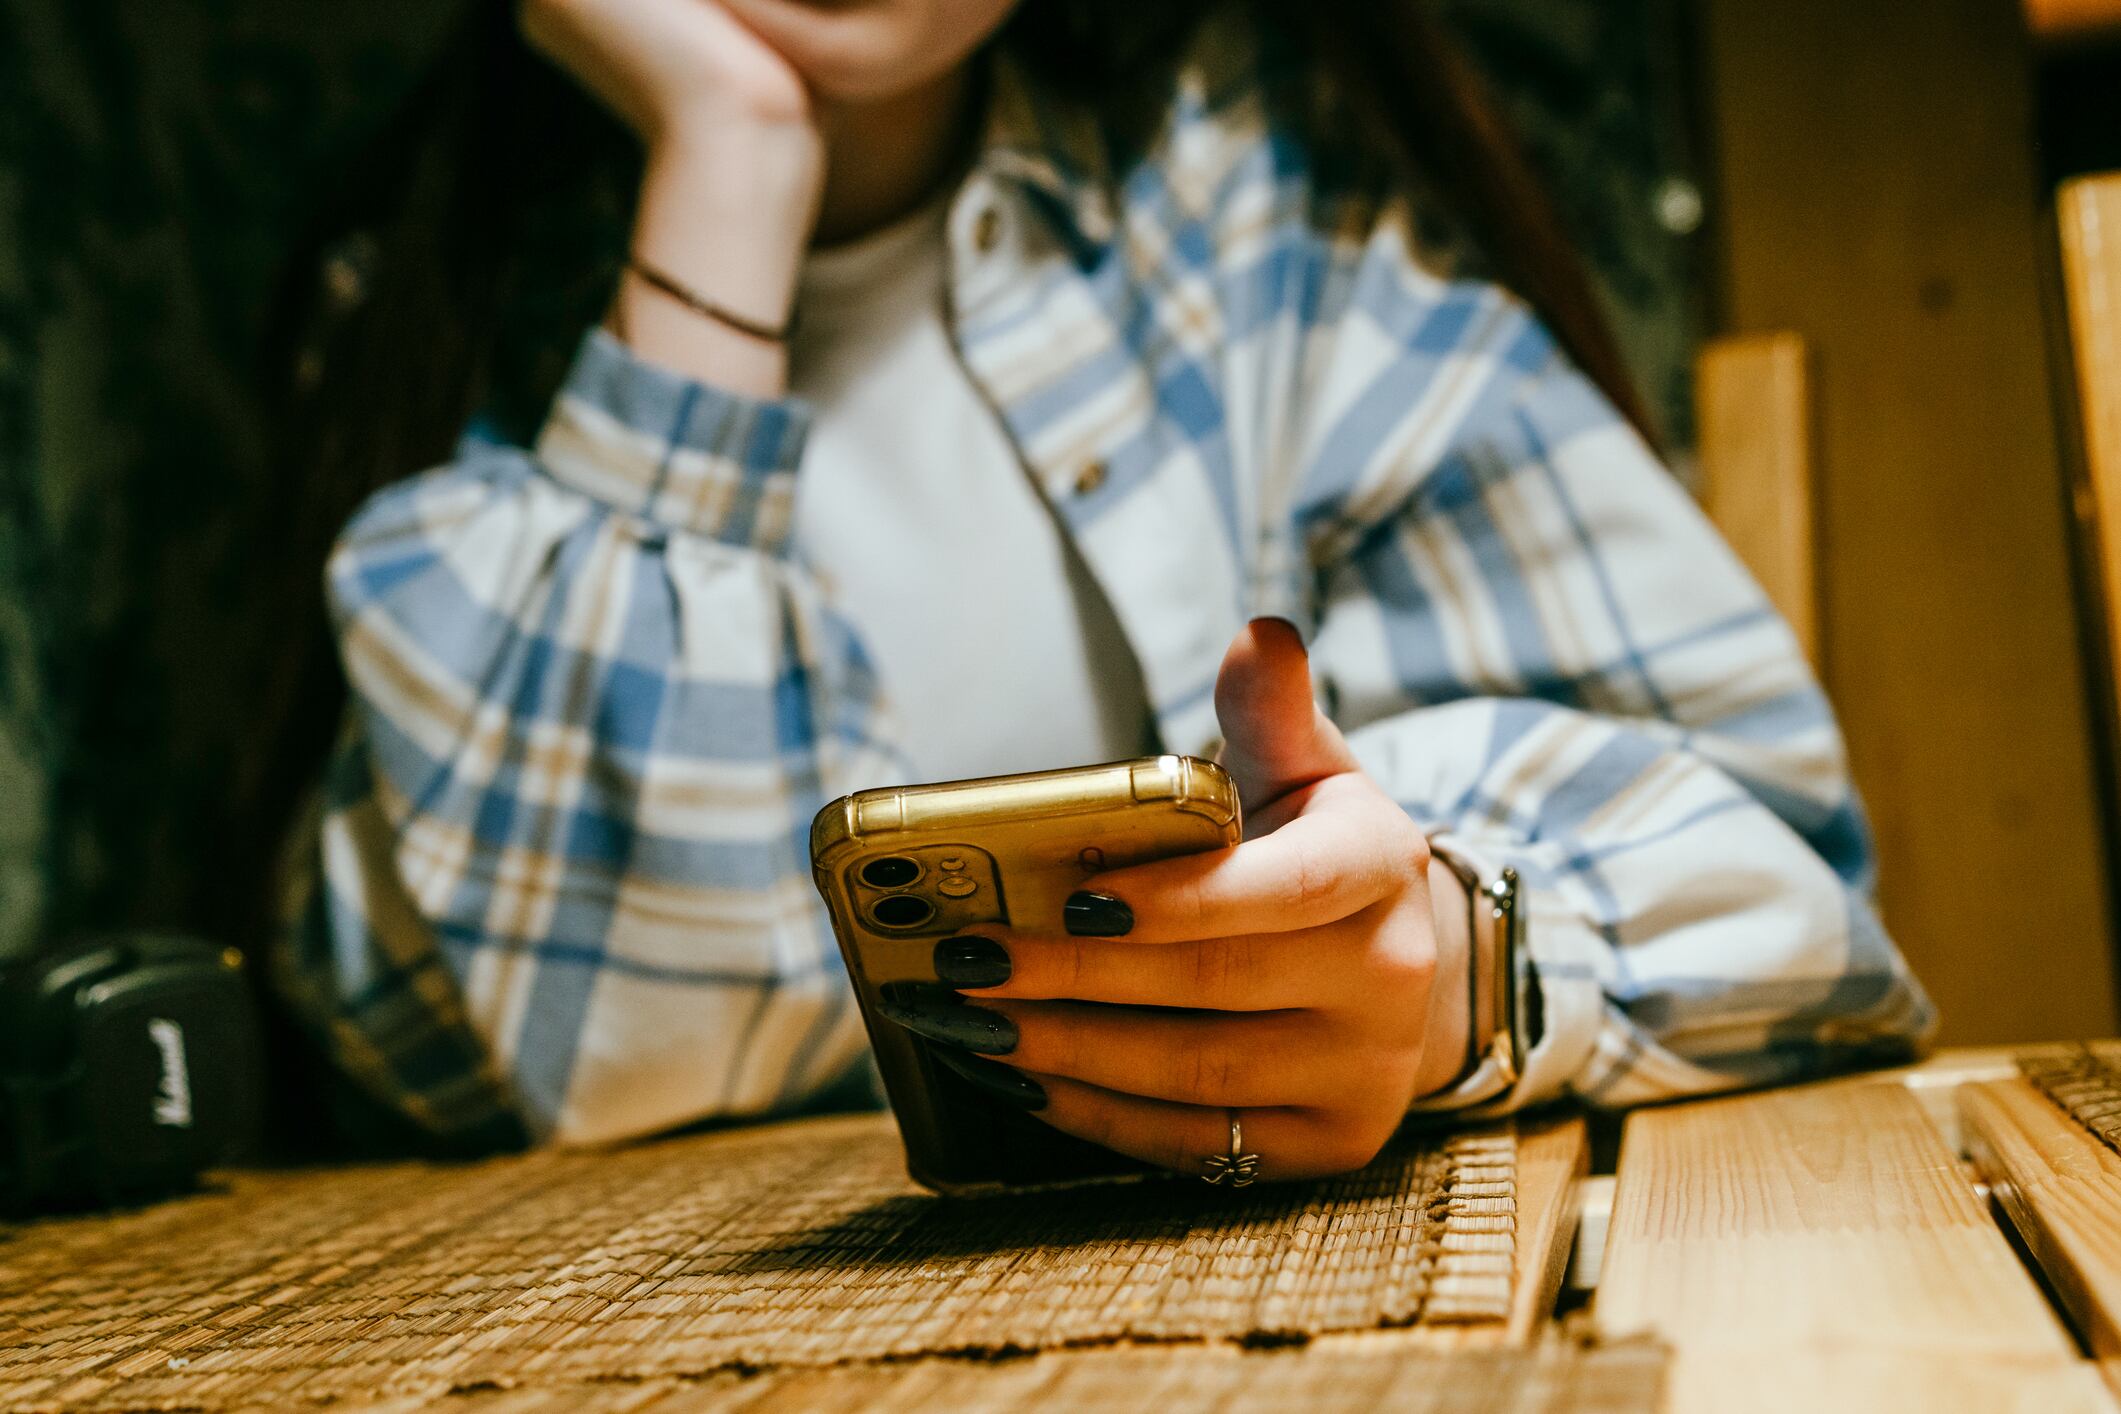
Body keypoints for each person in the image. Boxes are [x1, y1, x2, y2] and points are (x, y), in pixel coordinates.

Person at [265, 0, 1935, 1180]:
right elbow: (582, 1045)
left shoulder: (1267, 226)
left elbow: (1781, 874)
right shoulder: (421, 337)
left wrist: (1443, 966)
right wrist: (733, 149)